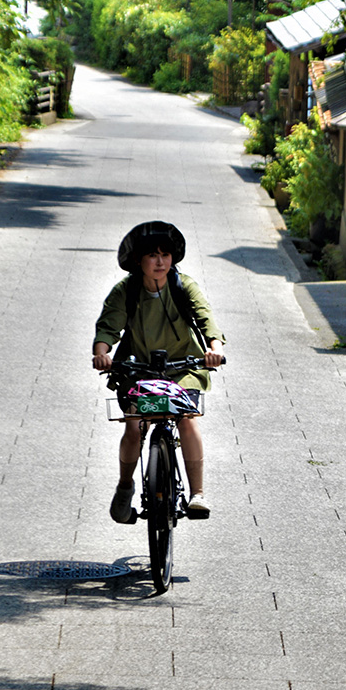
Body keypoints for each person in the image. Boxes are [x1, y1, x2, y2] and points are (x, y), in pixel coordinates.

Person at [92, 221, 225, 522]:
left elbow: (205, 317)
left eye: (166, 254)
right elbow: (108, 325)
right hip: (138, 369)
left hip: (183, 368)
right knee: (135, 425)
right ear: (138, 260)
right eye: (152, 255)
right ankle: (125, 486)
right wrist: (102, 353)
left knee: (187, 420)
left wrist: (215, 348)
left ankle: (198, 494)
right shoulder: (126, 290)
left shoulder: (184, 285)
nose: (160, 261)